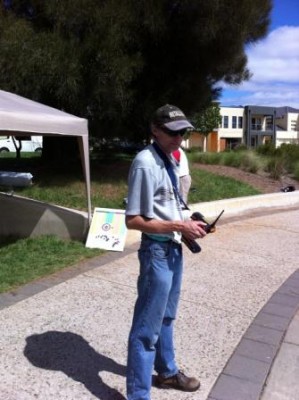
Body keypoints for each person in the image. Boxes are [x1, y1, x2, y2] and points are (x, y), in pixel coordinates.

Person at [125, 104, 207, 400]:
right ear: (155, 130)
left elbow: (169, 205)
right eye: (172, 132)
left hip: (173, 249)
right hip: (156, 253)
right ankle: (138, 395)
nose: (179, 138)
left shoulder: (171, 158)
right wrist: (177, 224)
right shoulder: (145, 163)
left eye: (183, 131)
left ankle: (168, 373)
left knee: (167, 317)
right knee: (146, 328)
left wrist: (189, 223)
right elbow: (133, 220)